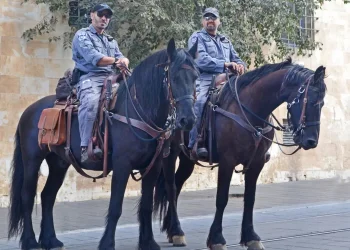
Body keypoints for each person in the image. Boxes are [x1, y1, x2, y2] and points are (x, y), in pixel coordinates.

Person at [72, 3, 130, 163]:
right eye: (100, 14)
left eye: (107, 16)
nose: (104, 18)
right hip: (89, 77)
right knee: (91, 104)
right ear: (92, 15)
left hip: (111, 78)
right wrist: (117, 60)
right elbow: (94, 58)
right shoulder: (82, 35)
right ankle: (84, 147)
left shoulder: (111, 40)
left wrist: (125, 60)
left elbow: (121, 56)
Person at [188, 7, 246, 159]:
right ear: (203, 21)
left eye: (213, 18)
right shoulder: (197, 37)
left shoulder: (225, 40)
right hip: (205, 78)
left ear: (219, 22)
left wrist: (240, 66)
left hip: (229, 78)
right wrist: (225, 64)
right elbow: (200, 60)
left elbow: (237, 58)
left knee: (248, 96)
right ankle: (196, 141)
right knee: (199, 102)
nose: (210, 20)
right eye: (207, 18)